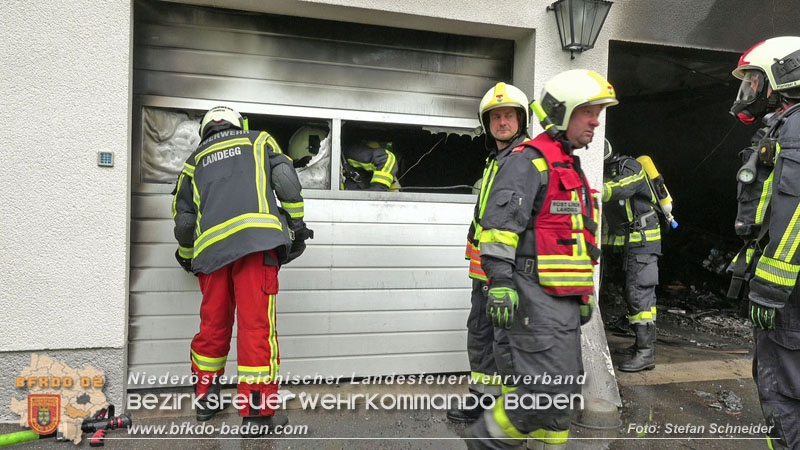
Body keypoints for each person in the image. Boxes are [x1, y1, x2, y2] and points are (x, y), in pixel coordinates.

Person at [466, 69, 616, 449]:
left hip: (564, 300)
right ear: (563, 112)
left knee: (564, 392)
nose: (596, 120)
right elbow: (499, 229)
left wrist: (584, 296)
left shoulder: (569, 166)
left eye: (597, 111)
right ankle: (484, 442)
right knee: (538, 394)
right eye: (588, 111)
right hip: (534, 297)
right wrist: (499, 282)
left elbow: (575, 243)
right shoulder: (529, 161)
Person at [172, 106, 313, 437]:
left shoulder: (194, 162)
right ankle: (257, 414)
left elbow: (185, 222)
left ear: (206, 130)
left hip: (212, 256)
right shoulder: (259, 141)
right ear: (238, 124)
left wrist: (188, 256)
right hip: (257, 247)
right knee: (255, 328)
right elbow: (286, 182)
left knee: (213, 328)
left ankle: (206, 403)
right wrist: (296, 225)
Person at [728, 36, 800, 450]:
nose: (750, 92)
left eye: (756, 81)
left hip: (790, 295)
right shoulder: (785, 125)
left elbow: (794, 213)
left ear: (782, 78)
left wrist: (770, 287)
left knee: (783, 394)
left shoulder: (796, 127)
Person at [447, 82, 531, 423]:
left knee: (508, 345)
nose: (502, 122)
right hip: (484, 272)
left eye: (508, 115)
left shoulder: (525, 162)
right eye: (495, 117)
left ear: (520, 120)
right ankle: (483, 401)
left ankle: (511, 414)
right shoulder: (496, 160)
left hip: (507, 276)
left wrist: (505, 276)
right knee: (481, 337)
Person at [601, 140, 661, 372]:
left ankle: (646, 353)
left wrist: (597, 188)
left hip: (644, 243)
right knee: (631, 294)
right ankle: (639, 346)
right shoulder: (605, 171)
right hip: (628, 245)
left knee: (640, 295)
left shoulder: (631, 167)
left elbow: (624, 187)